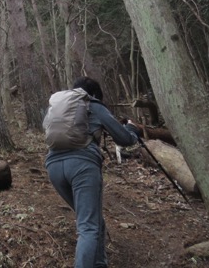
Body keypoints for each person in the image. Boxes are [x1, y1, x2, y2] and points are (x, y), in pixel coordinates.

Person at [45, 76, 141, 268]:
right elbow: (123, 138)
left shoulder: (57, 107)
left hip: (53, 166)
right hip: (82, 166)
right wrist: (132, 129)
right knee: (88, 227)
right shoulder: (94, 104)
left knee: (94, 222)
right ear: (95, 94)